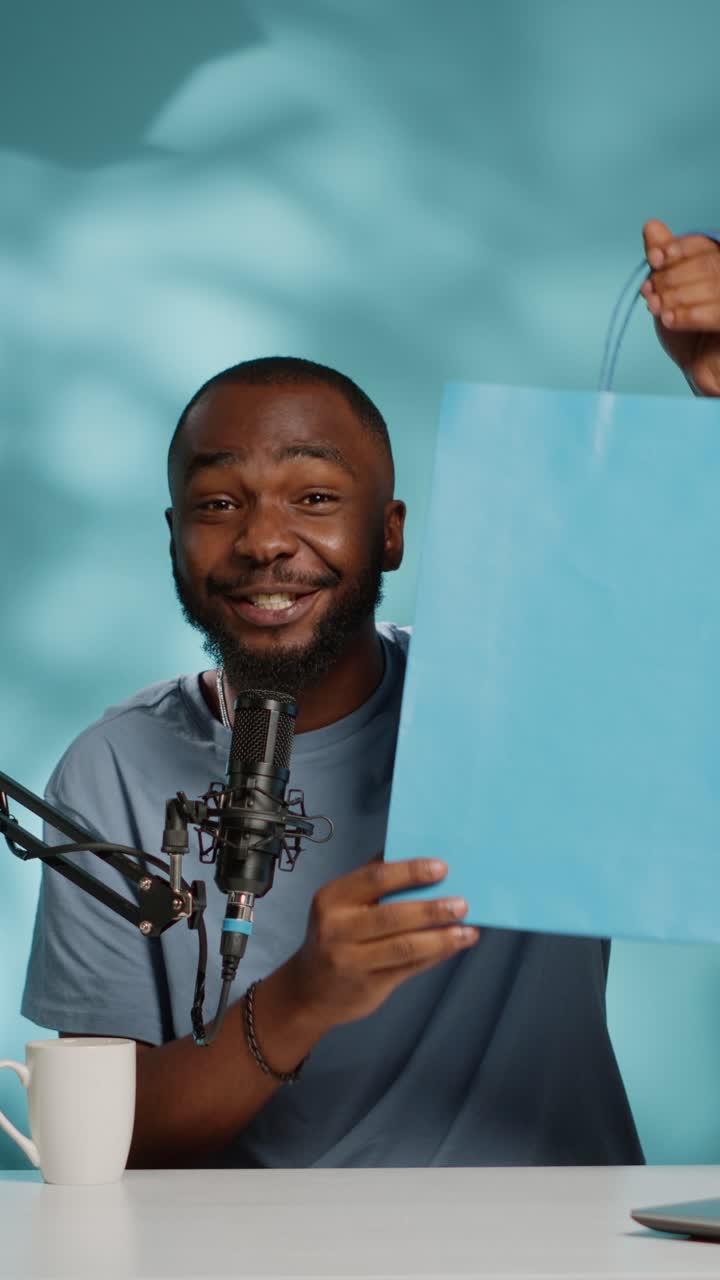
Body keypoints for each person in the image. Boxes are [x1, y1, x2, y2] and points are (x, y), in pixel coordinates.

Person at [21, 222, 720, 1169]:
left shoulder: (530, 699)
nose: (265, 540)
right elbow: (107, 1149)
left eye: (314, 498)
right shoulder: (115, 770)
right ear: (174, 534)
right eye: (220, 503)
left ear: (390, 532)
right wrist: (307, 992)